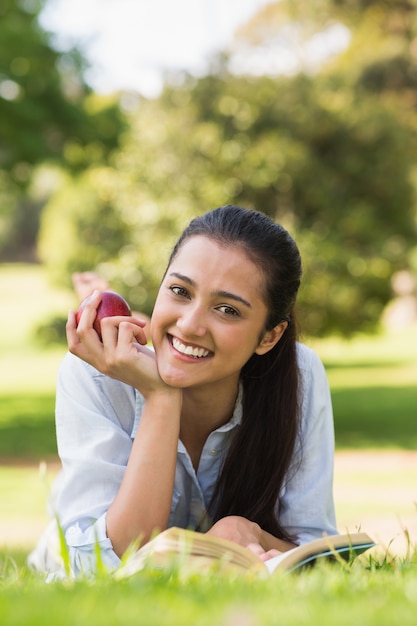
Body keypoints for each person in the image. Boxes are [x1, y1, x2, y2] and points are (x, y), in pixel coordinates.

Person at [29, 205, 337, 578]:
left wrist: (246, 532)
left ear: (270, 336)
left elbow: (322, 556)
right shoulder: (98, 374)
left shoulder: (298, 375)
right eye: (179, 290)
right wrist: (161, 397)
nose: (190, 326)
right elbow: (97, 566)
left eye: (227, 310)